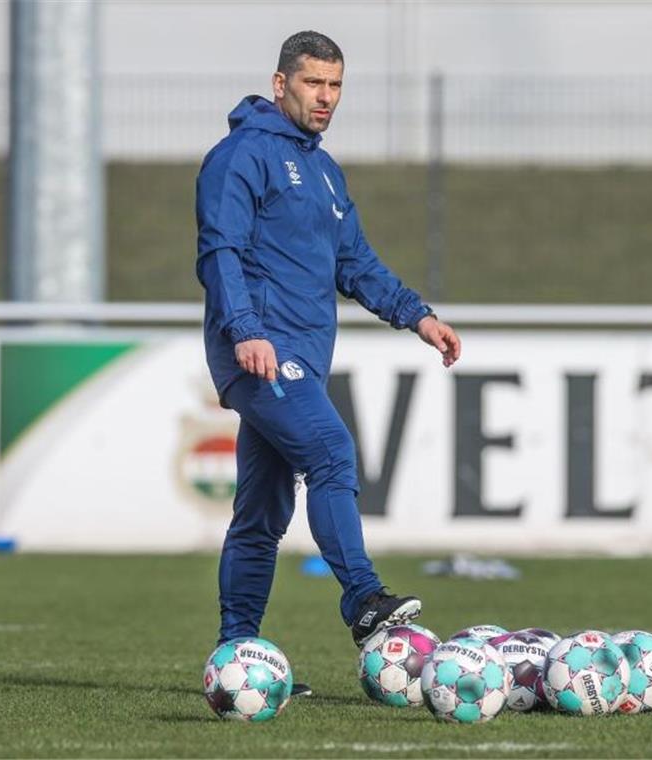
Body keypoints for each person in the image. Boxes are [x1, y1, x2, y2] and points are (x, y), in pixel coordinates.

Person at [195, 31, 462, 694]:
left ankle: (238, 654)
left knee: (262, 512)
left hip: (300, 359)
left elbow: (354, 264)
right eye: (314, 83)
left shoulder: (324, 170)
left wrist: (417, 315)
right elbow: (220, 252)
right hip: (259, 351)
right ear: (280, 83)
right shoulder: (240, 157)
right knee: (333, 454)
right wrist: (246, 331)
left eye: (336, 86)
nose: (326, 98)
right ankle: (363, 599)